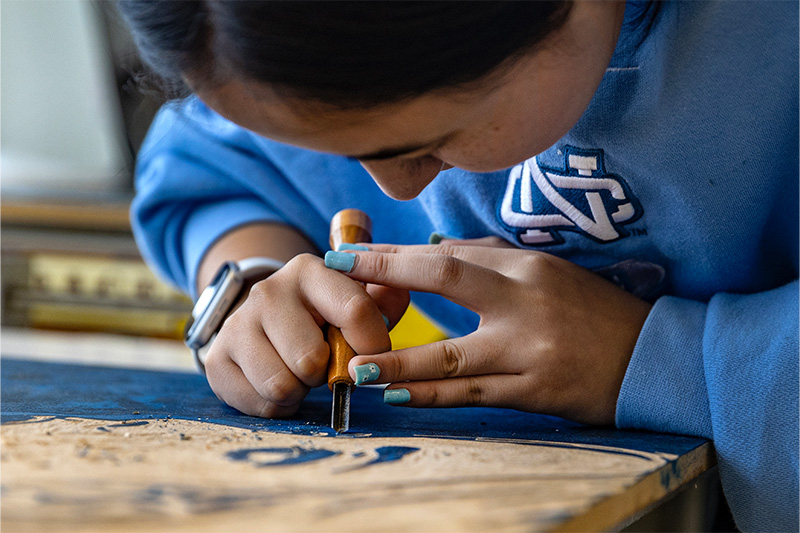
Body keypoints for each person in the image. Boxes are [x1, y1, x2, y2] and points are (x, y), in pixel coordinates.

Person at [117, 1, 798, 530]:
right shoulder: (285, 37)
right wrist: (251, 278)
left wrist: (661, 362)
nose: (397, 191)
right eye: (344, 151)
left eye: (430, 142)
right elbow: (215, 164)